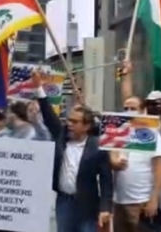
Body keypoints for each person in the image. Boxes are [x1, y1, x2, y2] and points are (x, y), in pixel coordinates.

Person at [33, 71, 113, 232]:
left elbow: (106, 181)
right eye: (69, 120)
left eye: (75, 122)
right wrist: (38, 88)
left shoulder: (98, 148)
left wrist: (105, 208)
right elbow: (48, 115)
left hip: (88, 205)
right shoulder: (61, 136)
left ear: (86, 126)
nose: (69, 124)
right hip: (64, 202)